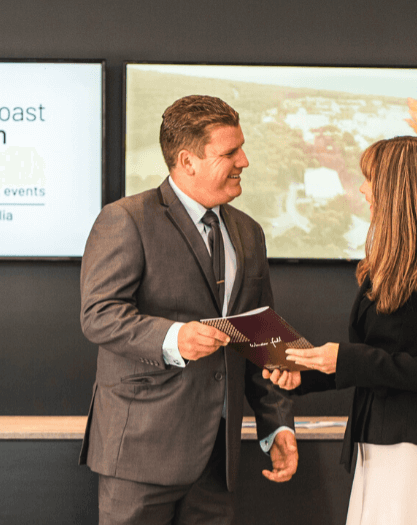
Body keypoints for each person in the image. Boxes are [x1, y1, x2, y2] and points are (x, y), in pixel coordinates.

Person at [79, 95, 298, 525]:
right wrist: (173, 337)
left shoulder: (248, 232)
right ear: (187, 160)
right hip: (139, 455)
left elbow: (259, 335)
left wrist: (277, 424)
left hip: (218, 460)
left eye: (242, 148)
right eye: (230, 152)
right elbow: (99, 314)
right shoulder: (125, 219)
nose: (245, 161)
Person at [267, 135, 417, 525]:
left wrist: (343, 357)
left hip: (415, 451)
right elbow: (370, 356)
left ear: (398, 189)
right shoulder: (386, 262)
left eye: (370, 179)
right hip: (376, 445)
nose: (363, 189)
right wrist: (306, 375)